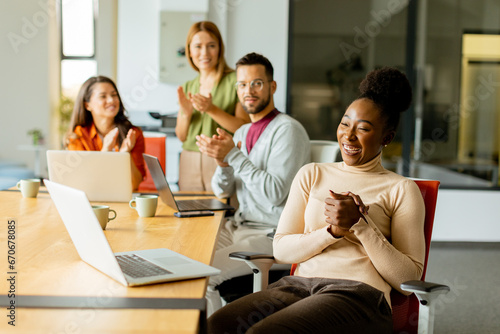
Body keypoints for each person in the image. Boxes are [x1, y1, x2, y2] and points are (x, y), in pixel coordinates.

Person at [207, 67, 425, 334]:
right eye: (345, 123)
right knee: (218, 325)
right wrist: (331, 232)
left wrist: (362, 226)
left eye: (364, 128)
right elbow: (282, 250)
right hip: (297, 287)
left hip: (358, 294)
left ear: (386, 138)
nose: (349, 135)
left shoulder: (401, 189)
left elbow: (408, 279)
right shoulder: (312, 173)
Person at [196, 52, 311, 315]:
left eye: (257, 83)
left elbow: (274, 194)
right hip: (239, 226)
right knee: (190, 259)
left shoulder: (287, 130)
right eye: (242, 84)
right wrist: (223, 164)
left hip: (270, 235)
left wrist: (234, 156)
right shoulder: (242, 132)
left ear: (272, 86)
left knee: (203, 276)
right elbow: (221, 190)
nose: (249, 91)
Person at [176, 21, 251, 191]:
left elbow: (243, 127)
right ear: (189, 50)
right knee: (189, 213)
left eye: (211, 46)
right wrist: (186, 114)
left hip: (221, 159)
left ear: (220, 49)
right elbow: (181, 136)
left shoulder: (235, 81)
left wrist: (211, 109)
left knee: (222, 213)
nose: (204, 53)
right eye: (198, 46)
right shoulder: (188, 86)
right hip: (189, 160)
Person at [65, 75, 145, 190]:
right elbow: (84, 183)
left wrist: (125, 155)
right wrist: (105, 152)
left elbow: (134, 185)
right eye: (103, 96)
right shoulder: (78, 136)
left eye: (114, 95)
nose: (111, 100)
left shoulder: (134, 134)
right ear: (87, 105)